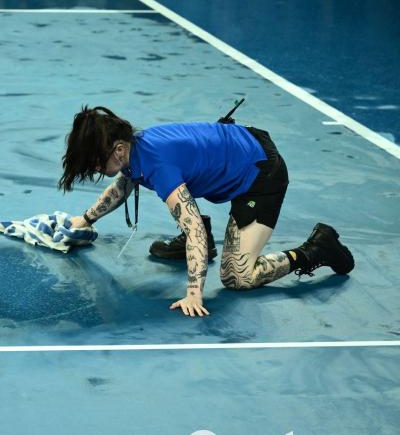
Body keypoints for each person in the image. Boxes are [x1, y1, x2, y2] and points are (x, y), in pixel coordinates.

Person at [59, 106, 354, 317]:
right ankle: (204, 247)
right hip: (240, 149)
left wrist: (193, 293)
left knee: (237, 277)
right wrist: (85, 220)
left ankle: (317, 248)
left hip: (261, 174)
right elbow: (124, 184)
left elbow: (194, 229)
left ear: (119, 150)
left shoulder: (159, 165)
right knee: (191, 222)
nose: (94, 168)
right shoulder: (135, 151)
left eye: (96, 161)